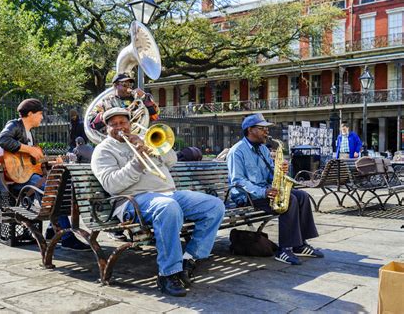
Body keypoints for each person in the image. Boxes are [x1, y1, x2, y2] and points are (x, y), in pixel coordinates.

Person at [91, 107, 225, 297]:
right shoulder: (103, 151)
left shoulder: (142, 138)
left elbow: (171, 161)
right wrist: (137, 162)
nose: (120, 127)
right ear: (106, 128)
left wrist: (153, 147)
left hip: (168, 194)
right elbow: (112, 185)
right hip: (132, 199)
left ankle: (190, 258)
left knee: (214, 205)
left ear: (130, 124)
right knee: (167, 207)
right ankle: (168, 274)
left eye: (123, 123)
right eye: (114, 124)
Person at [0, 98, 90, 251]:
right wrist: (30, 150)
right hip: (12, 178)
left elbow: (33, 164)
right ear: (30, 114)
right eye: (40, 114)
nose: (42, 117)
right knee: (50, 187)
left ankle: (52, 230)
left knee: (61, 184)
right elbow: (1, 139)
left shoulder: (31, 134)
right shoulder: (14, 124)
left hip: (27, 175)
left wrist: (51, 163)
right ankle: (67, 237)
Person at [227, 113, 323, 266]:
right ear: (250, 130)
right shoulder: (237, 151)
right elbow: (238, 181)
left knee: (302, 196)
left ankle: (300, 244)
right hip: (246, 196)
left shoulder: (263, 149)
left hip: (265, 190)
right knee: (289, 200)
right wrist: (263, 192)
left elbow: (271, 174)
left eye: (266, 128)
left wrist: (281, 169)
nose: (266, 132)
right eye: (262, 128)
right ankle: (284, 249)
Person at [89, 73, 159, 132]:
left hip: (137, 136)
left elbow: (155, 116)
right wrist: (107, 115)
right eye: (125, 85)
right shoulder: (106, 101)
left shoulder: (138, 100)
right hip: (116, 139)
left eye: (130, 84)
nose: (128, 87)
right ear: (116, 85)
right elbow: (92, 123)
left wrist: (144, 97)